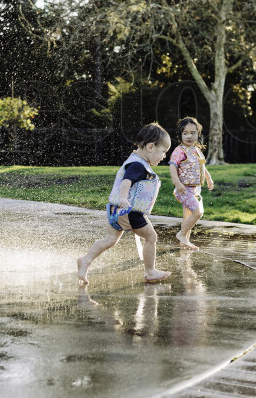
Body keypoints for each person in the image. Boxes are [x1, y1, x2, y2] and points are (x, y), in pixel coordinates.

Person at [77, 123, 173, 284]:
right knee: (151, 237)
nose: (164, 156)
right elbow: (126, 182)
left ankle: (85, 260)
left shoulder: (136, 161)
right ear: (150, 147)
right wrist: (123, 198)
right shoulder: (138, 165)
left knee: (110, 239)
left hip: (117, 210)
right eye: (163, 151)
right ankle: (150, 271)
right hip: (129, 211)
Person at [169, 117, 213, 250]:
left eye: (193, 133)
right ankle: (181, 234)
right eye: (185, 133)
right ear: (180, 135)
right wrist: (177, 183)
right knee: (198, 212)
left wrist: (209, 178)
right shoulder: (180, 150)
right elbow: (172, 166)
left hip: (194, 190)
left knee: (188, 216)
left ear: (198, 134)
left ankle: (184, 242)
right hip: (183, 189)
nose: (189, 136)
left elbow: (202, 167)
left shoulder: (196, 150)